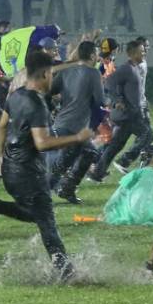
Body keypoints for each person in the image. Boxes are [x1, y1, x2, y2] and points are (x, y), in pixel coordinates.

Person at [0, 52, 92, 279]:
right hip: (28, 173)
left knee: (34, 213)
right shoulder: (37, 104)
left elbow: (1, 125)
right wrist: (77, 137)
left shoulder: (16, 95)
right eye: (52, 75)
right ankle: (65, 271)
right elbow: (43, 143)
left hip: (11, 170)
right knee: (47, 222)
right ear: (46, 73)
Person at [49, 41, 105, 204]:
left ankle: (67, 189)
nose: (98, 56)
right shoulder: (93, 73)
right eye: (97, 53)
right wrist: (109, 99)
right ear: (92, 55)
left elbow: (51, 90)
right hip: (75, 127)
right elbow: (100, 100)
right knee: (65, 161)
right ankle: (46, 188)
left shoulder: (67, 71)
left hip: (61, 123)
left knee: (89, 153)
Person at [90, 39, 149, 180]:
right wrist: (117, 100)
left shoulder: (133, 67)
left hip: (126, 113)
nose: (145, 53)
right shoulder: (125, 68)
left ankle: (97, 172)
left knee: (114, 144)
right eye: (142, 51)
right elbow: (109, 82)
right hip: (125, 114)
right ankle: (124, 160)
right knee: (147, 135)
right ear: (133, 53)